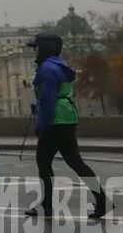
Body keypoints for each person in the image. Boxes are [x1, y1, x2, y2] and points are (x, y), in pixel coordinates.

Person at [24, 33, 110, 222]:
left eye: (36, 47)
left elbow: (47, 99)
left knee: (44, 163)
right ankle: (102, 200)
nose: (34, 51)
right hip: (68, 116)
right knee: (75, 162)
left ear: (44, 49)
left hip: (55, 119)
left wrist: (41, 124)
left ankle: (46, 207)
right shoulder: (60, 65)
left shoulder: (46, 69)